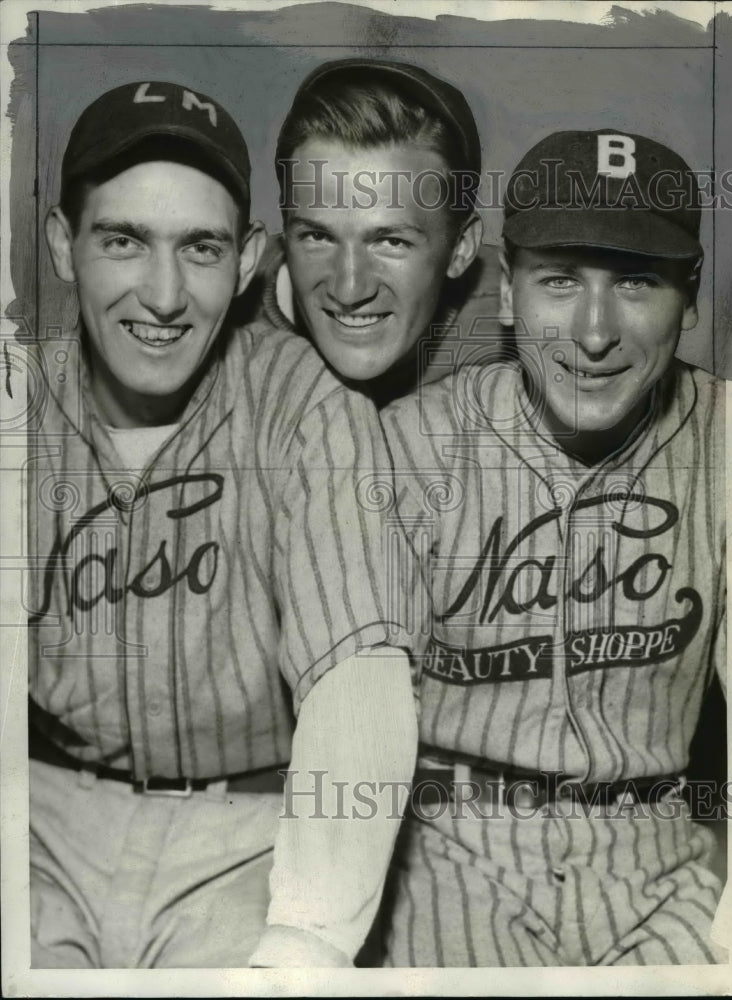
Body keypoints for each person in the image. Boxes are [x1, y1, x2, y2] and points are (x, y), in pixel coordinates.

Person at [27, 80, 417, 969]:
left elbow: (354, 682)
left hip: (242, 841)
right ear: (62, 245)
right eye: (123, 241)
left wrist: (306, 940)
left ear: (245, 262)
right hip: (42, 822)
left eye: (199, 249)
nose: (163, 296)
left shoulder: (302, 404)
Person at [379, 129, 726, 966]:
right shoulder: (413, 445)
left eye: (636, 283)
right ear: (507, 294)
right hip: (452, 851)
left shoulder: (731, 440)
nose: (595, 332)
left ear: (689, 295)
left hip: (659, 858)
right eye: (560, 281)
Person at [238, 58, 501, 408]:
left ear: (461, 248)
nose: (349, 291)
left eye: (391, 242)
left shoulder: (527, 319)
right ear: (284, 231)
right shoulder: (221, 320)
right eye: (318, 237)